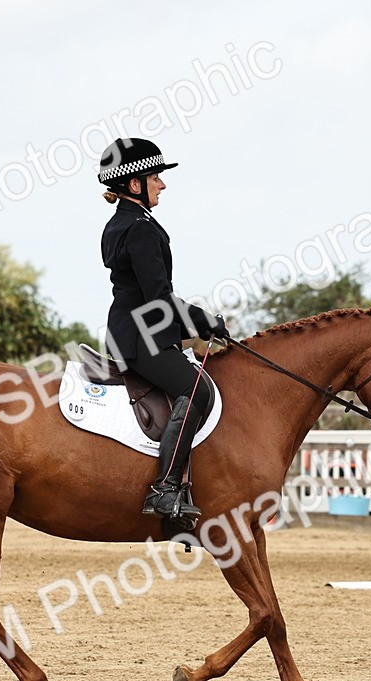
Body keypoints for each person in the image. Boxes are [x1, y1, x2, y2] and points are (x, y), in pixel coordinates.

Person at [97, 137, 230, 529]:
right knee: (197, 391)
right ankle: (166, 488)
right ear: (134, 184)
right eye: (155, 176)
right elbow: (158, 299)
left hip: (133, 330)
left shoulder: (123, 223)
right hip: (143, 337)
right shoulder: (139, 229)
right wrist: (205, 322)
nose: (163, 184)